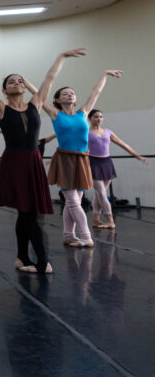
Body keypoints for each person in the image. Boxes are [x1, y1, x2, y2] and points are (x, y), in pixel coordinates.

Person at [0, 49, 85, 273]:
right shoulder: (0, 107)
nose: (17, 83)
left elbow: (50, 78)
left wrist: (61, 56)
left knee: (25, 212)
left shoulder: (35, 103)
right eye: (11, 82)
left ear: (24, 87)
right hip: (15, 162)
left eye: (20, 81)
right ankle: (43, 263)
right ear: (4, 90)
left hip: (33, 161)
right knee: (30, 214)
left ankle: (22, 258)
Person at [43, 69, 123, 247]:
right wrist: (24, 82)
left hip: (82, 160)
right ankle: (86, 237)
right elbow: (39, 94)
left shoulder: (83, 113)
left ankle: (68, 235)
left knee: (74, 201)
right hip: (65, 160)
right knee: (72, 201)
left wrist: (105, 74)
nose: (70, 95)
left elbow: (96, 91)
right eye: (65, 93)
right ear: (57, 100)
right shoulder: (56, 114)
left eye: (72, 93)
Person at [87, 109, 148, 229]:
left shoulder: (108, 132)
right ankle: (110, 220)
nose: (99, 119)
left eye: (101, 117)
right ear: (89, 118)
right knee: (102, 193)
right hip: (93, 163)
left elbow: (124, 145)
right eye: (96, 117)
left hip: (107, 163)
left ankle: (95, 220)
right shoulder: (86, 132)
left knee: (99, 193)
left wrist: (138, 156)